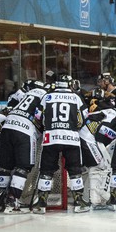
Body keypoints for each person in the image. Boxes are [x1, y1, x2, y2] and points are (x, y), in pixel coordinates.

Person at [36, 73, 89, 214]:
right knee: (75, 170)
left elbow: (38, 116)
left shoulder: (47, 96)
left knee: (46, 170)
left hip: (50, 138)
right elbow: (84, 117)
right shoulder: (76, 97)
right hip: (71, 138)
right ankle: (79, 201)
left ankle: (41, 202)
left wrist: (47, 127)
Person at [0, 80, 47, 214]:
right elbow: (43, 116)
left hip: (7, 126)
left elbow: (9, 105)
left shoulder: (26, 93)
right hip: (24, 129)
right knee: (23, 167)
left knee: (6, 166)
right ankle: (12, 201)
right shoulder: (46, 95)